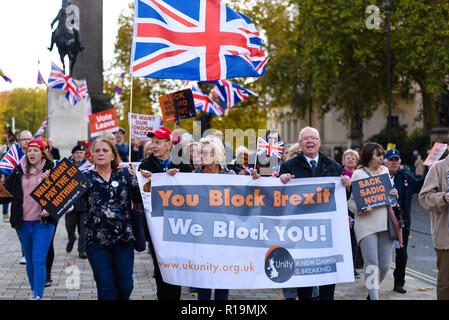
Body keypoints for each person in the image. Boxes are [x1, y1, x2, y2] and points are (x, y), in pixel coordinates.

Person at [278, 126, 351, 300]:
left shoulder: (332, 165)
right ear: (300, 144)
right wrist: (282, 182)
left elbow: (342, 199)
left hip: (326, 233)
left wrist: (348, 186)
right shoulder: (289, 166)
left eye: (313, 138)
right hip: (302, 234)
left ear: (319, 142)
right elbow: (280, 198)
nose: (309, 141)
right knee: (304, 283)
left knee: (327, 280)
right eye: (305, 139)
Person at [82, 137, 141, 300]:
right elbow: (62, 200)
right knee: (106, 288)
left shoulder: (124, 175)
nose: (101, 153)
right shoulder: (84, 178)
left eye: (105, 150)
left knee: (125, 286)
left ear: (113, 156)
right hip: (97, 241)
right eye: (97, 151)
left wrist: (142, 180)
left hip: (123, 239)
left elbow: (139, 198)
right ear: (92, 155)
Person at [138, 127, 193, 300]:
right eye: (152, 142)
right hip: (156, 226)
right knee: (160, 266)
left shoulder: (183, 164)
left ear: (169, 144)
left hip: (179, 225)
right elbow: (140, 195)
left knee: (176, 266)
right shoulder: (145, 165)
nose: (153, 146)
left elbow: (193, 192)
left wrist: (176, 178)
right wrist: (144, 180)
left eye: (158, 142)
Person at [0, 139, 56, 299]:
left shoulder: (51, 169)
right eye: (29, 150)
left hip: (43, 224)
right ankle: (34, 291)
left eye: (36, 150)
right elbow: (6, 197)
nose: (32, 153)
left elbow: (63, 196)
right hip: (22, 223)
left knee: (39, 260)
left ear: (42, 153)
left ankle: (38, 295)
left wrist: (49, 183)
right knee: (30, 261)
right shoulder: (17, 171)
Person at [347, 142, 398, 300]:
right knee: (371, 263)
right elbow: (350, 203)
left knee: (384, 265)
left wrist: (393, 194)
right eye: (379, 155)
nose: (382, 159)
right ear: (369, 156)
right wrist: (360, 208)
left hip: (385, 223)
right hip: (366, 224)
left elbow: (389, 198)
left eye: (382, 155)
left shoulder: (384, 171)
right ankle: (374, 296)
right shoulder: (358, 175)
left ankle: (372, 290)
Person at [384, 149, 425, 294]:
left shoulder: (405, 177)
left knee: (402, 253)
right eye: (390, 160)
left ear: (399, 162)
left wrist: (430, 167)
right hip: (382, 222)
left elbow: (420, 185)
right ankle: (373, 282)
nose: (393, 162)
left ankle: (399, 283)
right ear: (385, 162)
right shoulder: (377, 178)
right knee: (380, 254)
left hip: (402, 222)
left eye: (396, 160)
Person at [418, 152, 449, 300]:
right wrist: (443, 197)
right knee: (446, 284)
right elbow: (424, 198)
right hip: (446, 239)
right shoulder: (438, 167)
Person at [65, 145, 90, 259]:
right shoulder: (66, 167)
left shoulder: (89, 167)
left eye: (81, 152)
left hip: (84, 203)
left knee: (84, 230)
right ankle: (71, 239)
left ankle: (82, 250)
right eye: (77, 153)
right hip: (70, 204)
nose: (79, 155)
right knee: (70, 227)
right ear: (73, 155)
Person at [342, 149, 361, 279]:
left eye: (353, 158)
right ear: (343, 160)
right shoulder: (338, 173)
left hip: (353, 211)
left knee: (353, 240)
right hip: (340, 210)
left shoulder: (359, 175)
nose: (350, 160)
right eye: (348, 158)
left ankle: (352, 267)